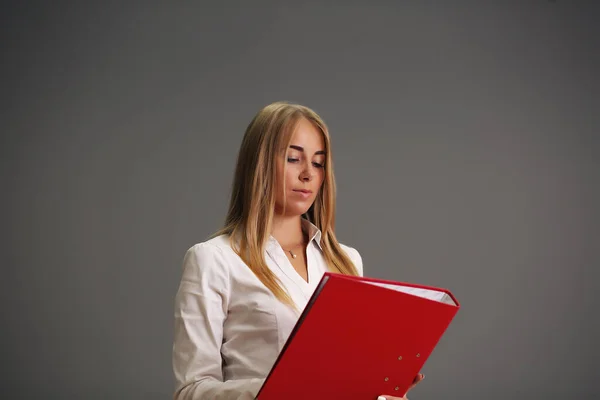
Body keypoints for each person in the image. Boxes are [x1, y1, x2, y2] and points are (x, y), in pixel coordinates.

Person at [171, 101, 424, 399]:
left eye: (318, 163)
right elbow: (190, 392)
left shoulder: (346, 261)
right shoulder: (213, 259)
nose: (308, 174)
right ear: (259, 164)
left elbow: (347, 381)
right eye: (293, 159)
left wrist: (382, 390)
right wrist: (280, 390)